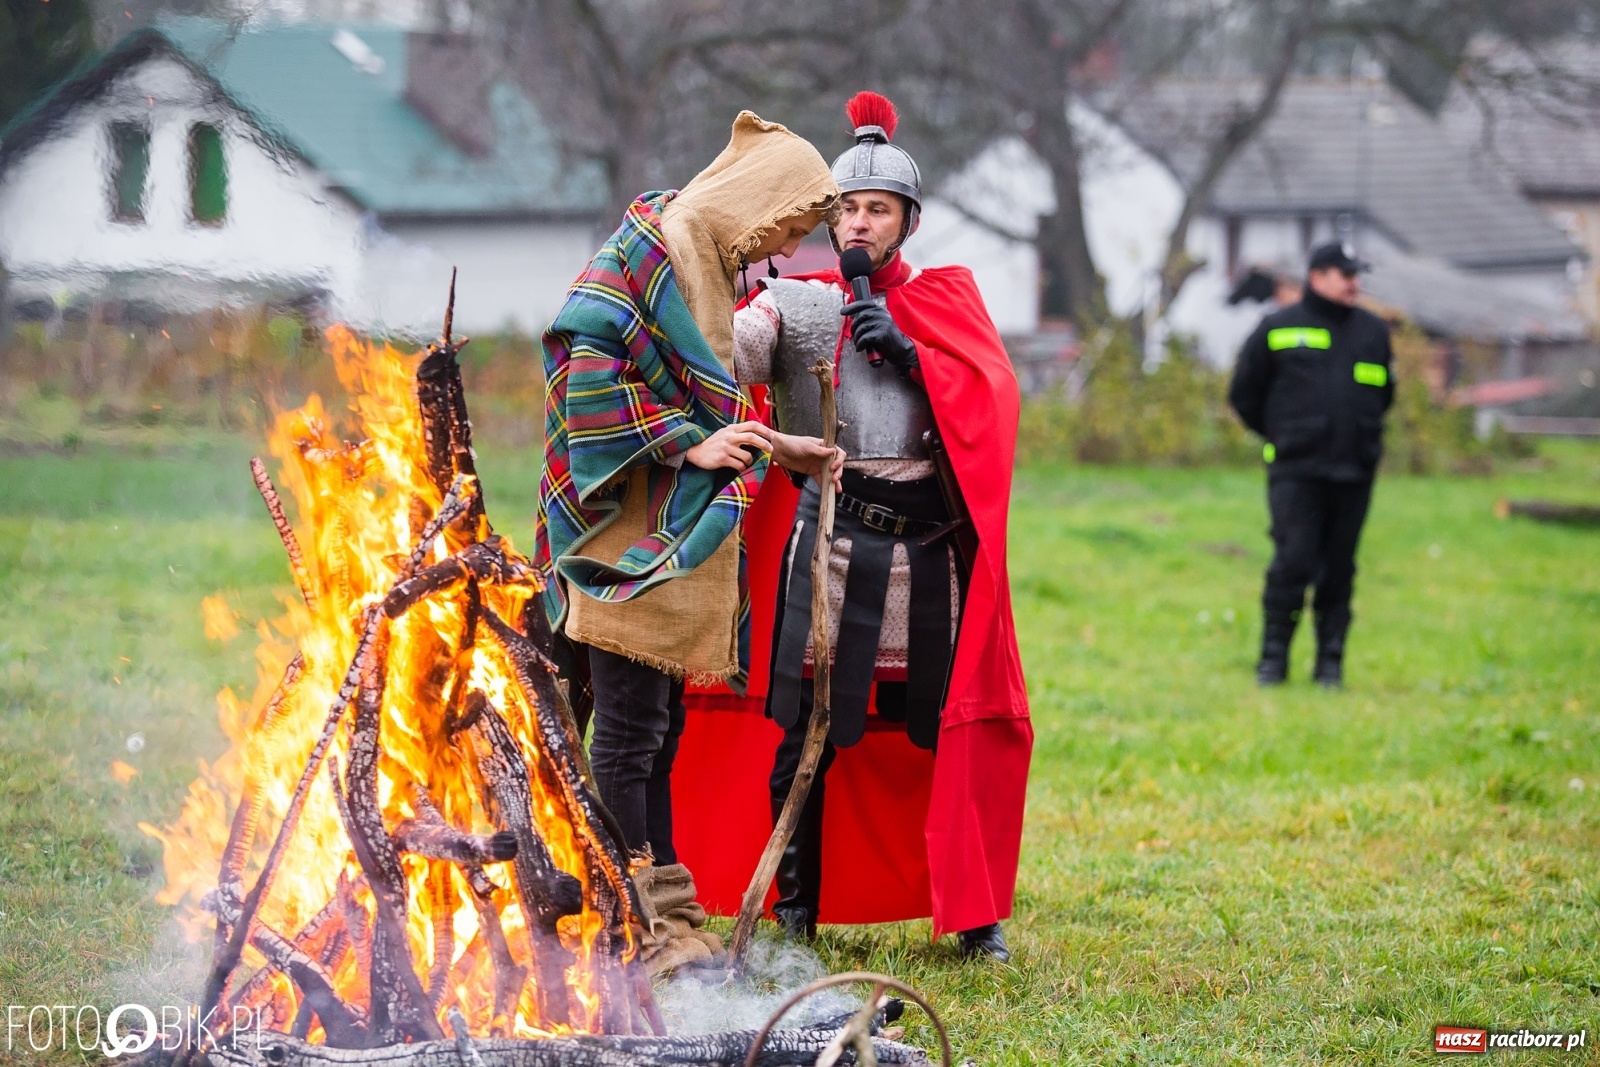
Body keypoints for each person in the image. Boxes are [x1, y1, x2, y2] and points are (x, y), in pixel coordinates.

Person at [672, 92, 1032, 962]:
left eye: (878, 209)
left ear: (909, 221)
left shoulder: (947, 304)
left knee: (941, 726)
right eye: (848, 209)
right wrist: (711, 274)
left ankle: (972, 915)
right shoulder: (793, 305)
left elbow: (992, 402)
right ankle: (795, 906)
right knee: (807, 729)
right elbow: (720, 354)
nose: (860, 223)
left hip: (930, 556)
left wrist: (914, 357)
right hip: (827, 543)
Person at [533, 111, 841, 873]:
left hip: (663, 525)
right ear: (761, 201)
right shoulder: (661, 246)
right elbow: (586, 370)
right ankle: (628, 905)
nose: (789, 249)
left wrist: (777, 445)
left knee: (658, 729)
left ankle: (659, 894)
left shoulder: (701, 252)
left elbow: (698, 396)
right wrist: (687, 443)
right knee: (629, 733)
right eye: (790, 227)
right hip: (623, 535)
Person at [1228, 240, 1395, 688]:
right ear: (1317, 277)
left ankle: (1330, 665)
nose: (1354, 284)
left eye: (1357, 275)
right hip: (1296, 471)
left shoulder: (1373, 333)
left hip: (1353, 471)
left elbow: (1384, 396)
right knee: (1293, 561)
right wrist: (1283, 435)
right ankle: (1273, 661)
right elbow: (1244, 393)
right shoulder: (1277, 327)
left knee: (1339, 569)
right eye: (1346, 275)